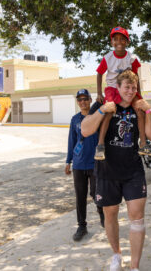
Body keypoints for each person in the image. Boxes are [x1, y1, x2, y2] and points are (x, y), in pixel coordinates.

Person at [81, 70, 151, 271]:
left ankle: (134, 266)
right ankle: (117, 254)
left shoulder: (138, 107)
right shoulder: (105, 105)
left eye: (134, 88)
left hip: (133, 170)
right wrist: (101, 110)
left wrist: (149, 111)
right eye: (127, 87)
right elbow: (85, 130)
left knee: (137, 215)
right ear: (118, 87)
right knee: (110, 213)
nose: (131, 91)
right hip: (107, 170)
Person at [95, 26, 149, 160]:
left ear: (127, 42)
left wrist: (139, 94)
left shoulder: (132, 58)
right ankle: (101, 145)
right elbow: (99, 74)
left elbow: (136, 76)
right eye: (115, 39)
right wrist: (99, 93)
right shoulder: (107, 58)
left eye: (122, 39)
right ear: (112, 42)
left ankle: (143, 143)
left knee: (140, 110)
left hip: (128, 88)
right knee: (109, 111)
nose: (119, 42)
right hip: (113, 88)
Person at [65, 89, 104, 241]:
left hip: (95, 163)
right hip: (79, 165)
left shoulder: (97, 117)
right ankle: (82, 226)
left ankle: (102, 214)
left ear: (90, 99)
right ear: (77, 102)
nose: (83, 102)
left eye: (85, 99)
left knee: (96, 193)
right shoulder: (75, 119)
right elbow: (71, 141)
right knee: (80, 196)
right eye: (80, 100)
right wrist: (68, 161)